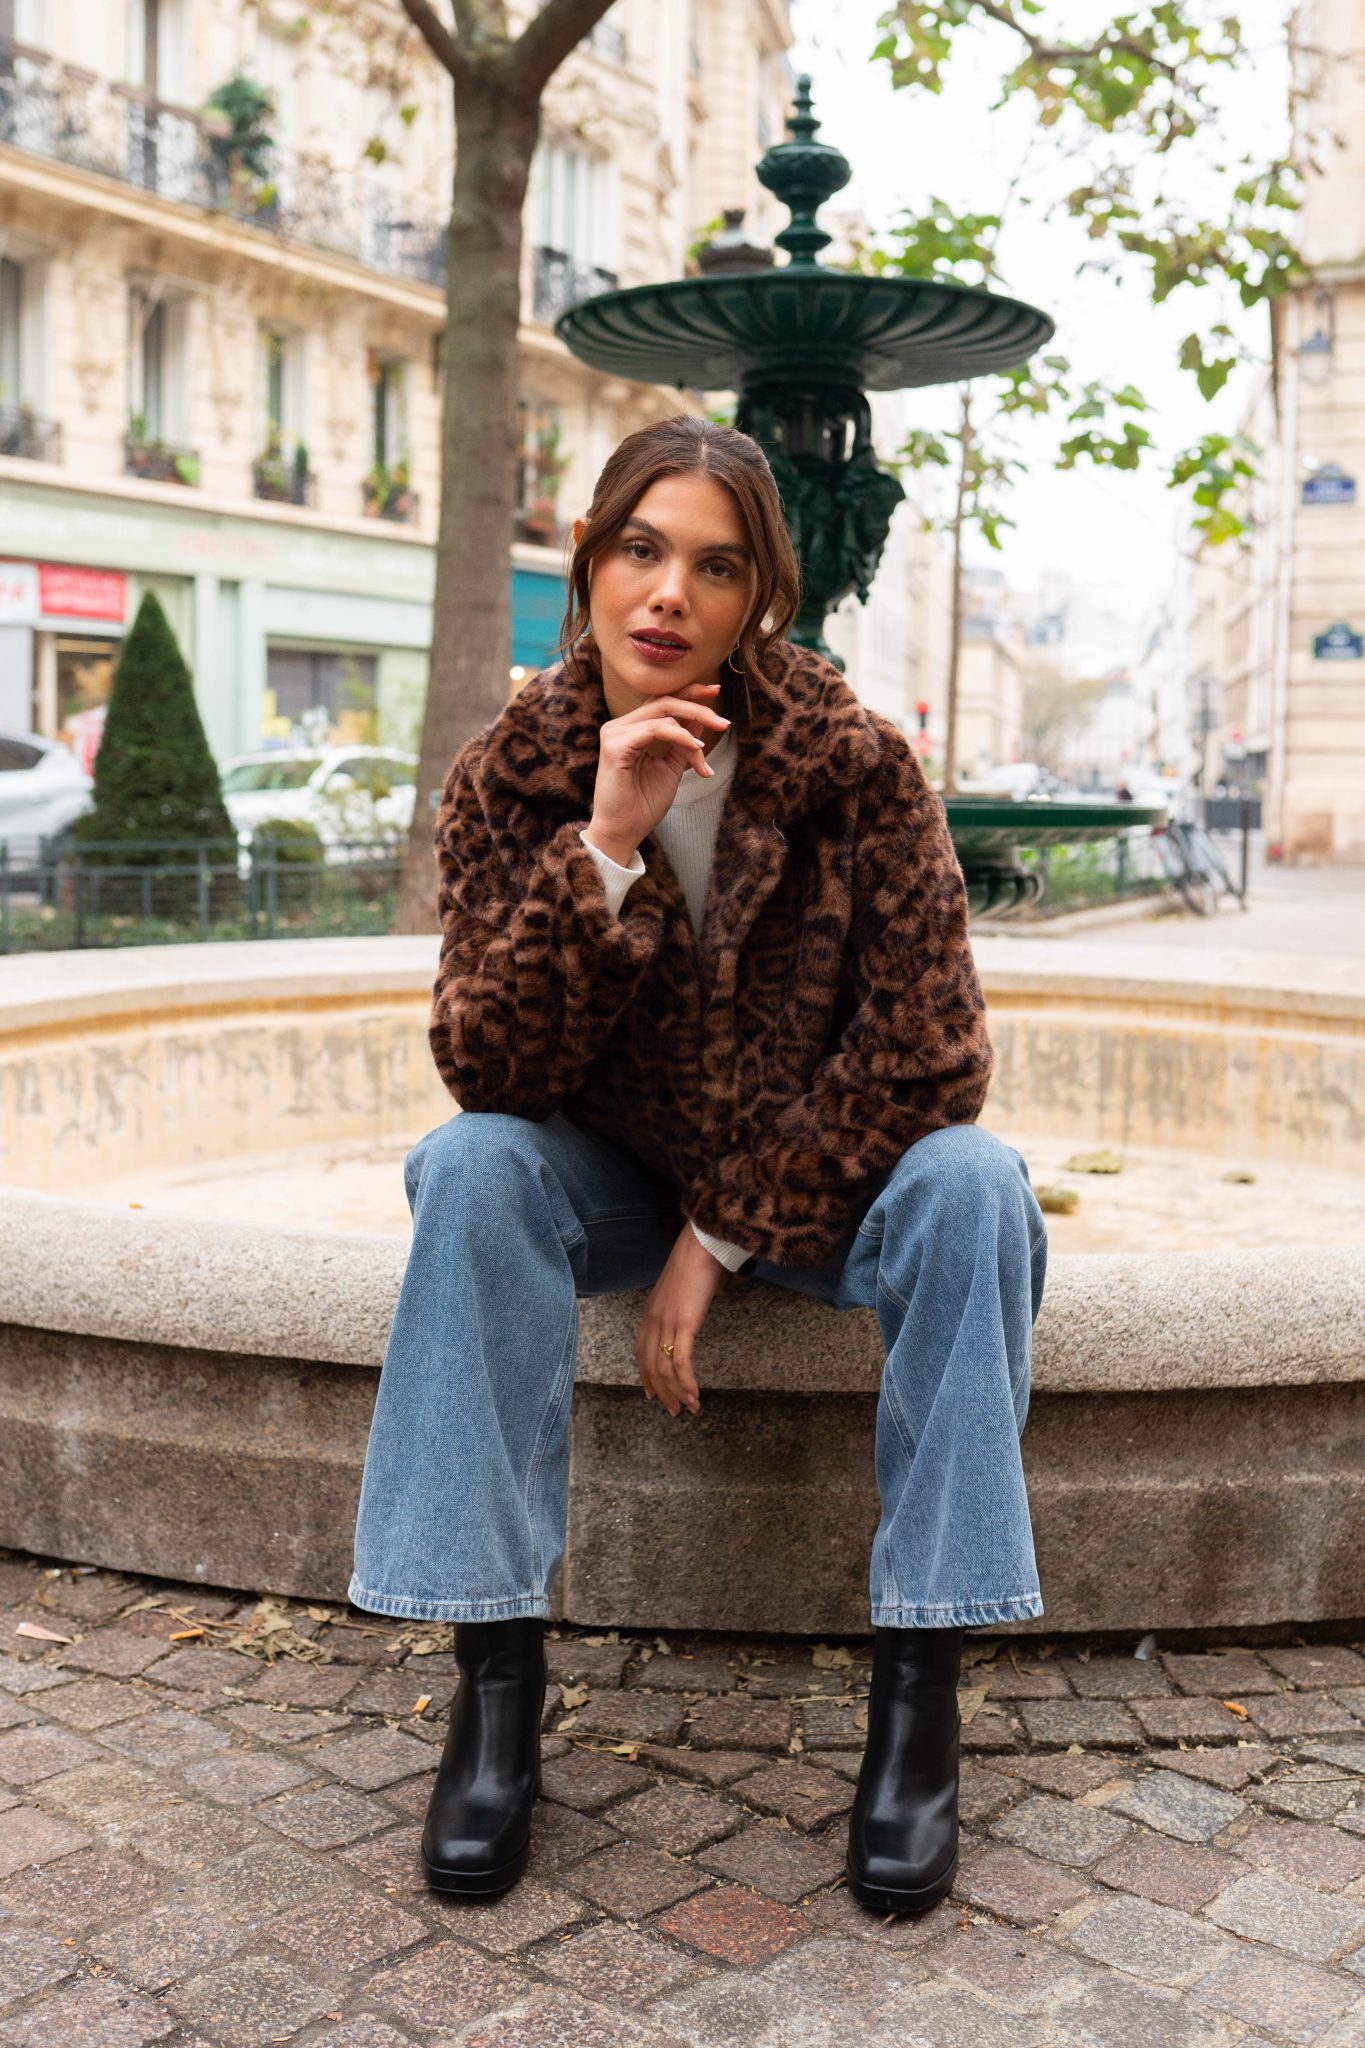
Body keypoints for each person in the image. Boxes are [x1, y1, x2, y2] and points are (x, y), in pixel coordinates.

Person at [349, 414, 1048, 1917]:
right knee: (468, 1166)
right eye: (642, 550)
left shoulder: (853, 767)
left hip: (815, 1199)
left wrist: (717, 1237)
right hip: (608, 1179)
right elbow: (488, 1069)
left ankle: (918, 1701)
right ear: (588, 563)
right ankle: (493, 1688)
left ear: (758, 598)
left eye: (716, 566)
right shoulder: (510, 779)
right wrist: (603, 850)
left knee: (974, 1185)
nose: (670, 592)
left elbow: (932, 1052)